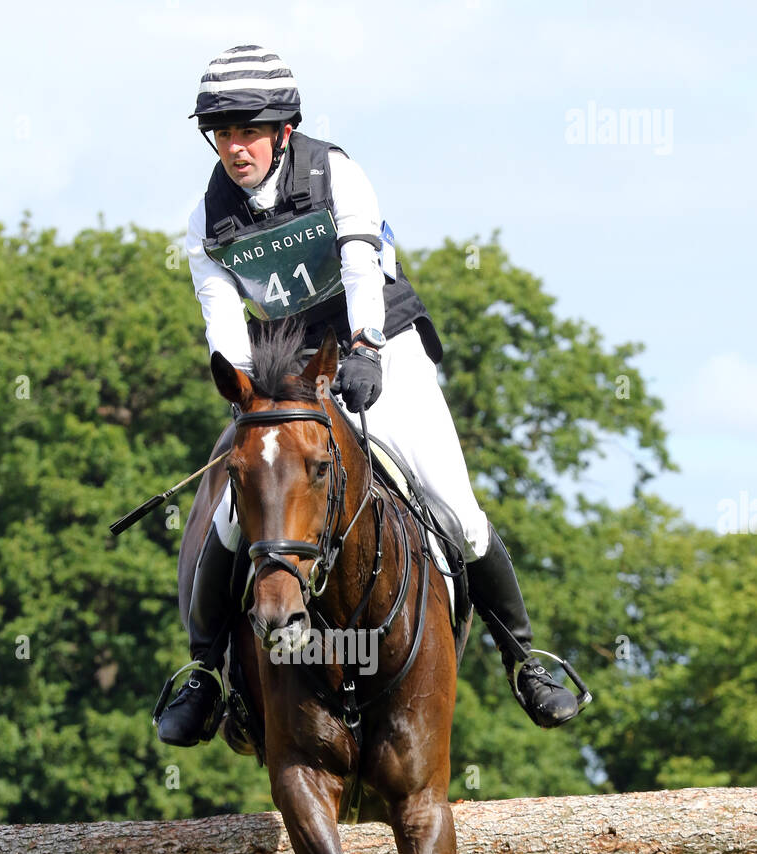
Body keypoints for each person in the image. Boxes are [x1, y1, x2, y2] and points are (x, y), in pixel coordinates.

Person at [155, 42, 583, 748]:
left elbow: (359, 268)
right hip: (288, 366)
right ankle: (205, 673)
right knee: (235, 517)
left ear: (282, 131)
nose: (235, 149)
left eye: (248, 132)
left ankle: (524, 659)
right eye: (223, 134)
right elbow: (222, 320)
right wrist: (243, 391)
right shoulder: (208, 217)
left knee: (456, 507)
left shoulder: (336, 174)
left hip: (378, 339)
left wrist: (366, 349)